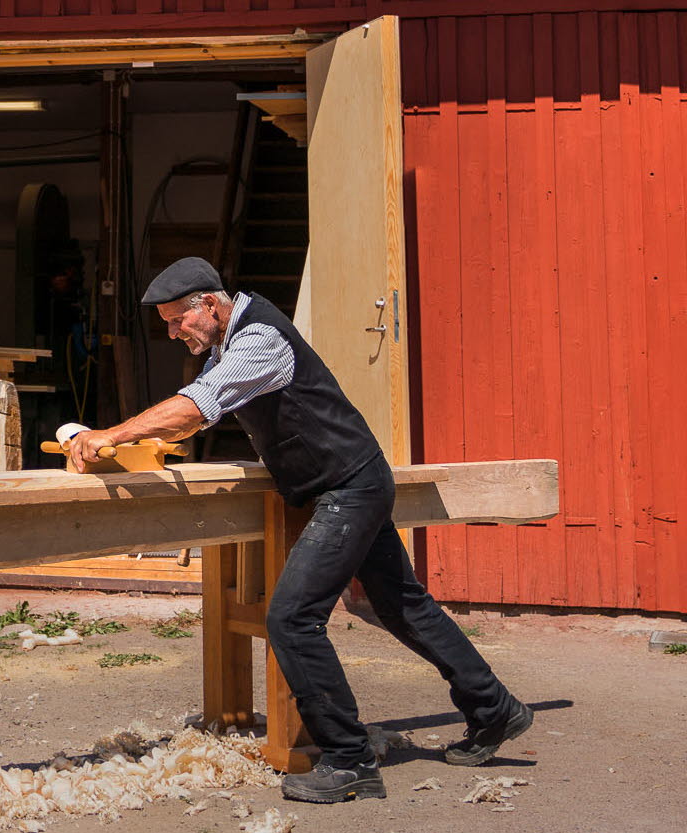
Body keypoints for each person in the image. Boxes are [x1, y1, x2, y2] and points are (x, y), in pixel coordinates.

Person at [65, 257, 531, 804]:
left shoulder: (259, 338)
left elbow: (197, 406)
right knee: (399, 604)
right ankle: (494, 708)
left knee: (291, 617)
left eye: (176, 321)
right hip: (351, 479)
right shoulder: (228, 339)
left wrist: (110, 435)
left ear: (209, 305)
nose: (171, 333)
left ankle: (349, 758)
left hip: (348, 488)